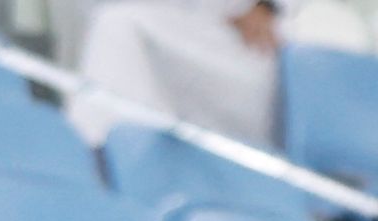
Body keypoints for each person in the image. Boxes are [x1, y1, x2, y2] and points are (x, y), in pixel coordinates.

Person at [68, 0, 277, 149]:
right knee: (116, 26)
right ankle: (97, 161)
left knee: (119, 25)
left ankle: (95, 160)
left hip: (245, 53)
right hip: (157, 52)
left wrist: (267, 5)